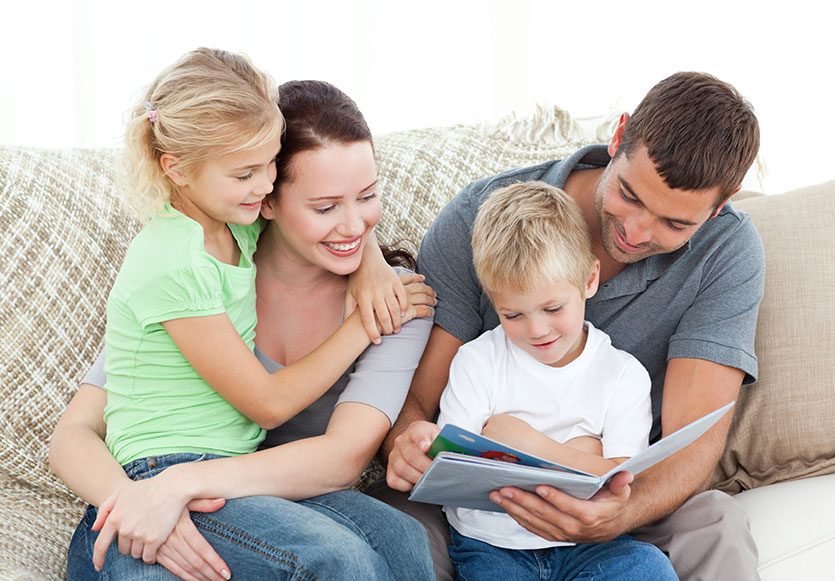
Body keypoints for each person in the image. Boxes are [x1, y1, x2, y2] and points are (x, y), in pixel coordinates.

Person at [50, 49, 435, 580]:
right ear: (270, 201)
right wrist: (146, 497)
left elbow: (343, 458)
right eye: (325, 207)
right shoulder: (189, 265)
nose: (352, 223)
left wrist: (370, 260)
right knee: (339, 558)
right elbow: (76, 432)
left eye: (367, 197)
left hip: (239, 485)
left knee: (401, 542)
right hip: (156, 476)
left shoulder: (246, 239)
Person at [382, 71, 765, 580]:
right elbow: (418, 403)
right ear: (619, 135)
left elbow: (691, 442)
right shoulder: (484, 222)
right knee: (390, 534)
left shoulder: (727, 252)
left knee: (717, 524)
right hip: (482, 513)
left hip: (620, 495)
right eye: (629, 194)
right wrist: (405, 441)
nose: (635, 231)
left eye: (674, 224)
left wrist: (616, 513)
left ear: (722, 203)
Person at [437, 181, 678, 580]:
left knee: (650, 569)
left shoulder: (622, 375)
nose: (537, 330)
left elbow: (618, 481)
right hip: (492, 543)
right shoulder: (478, 361)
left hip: (590, 544)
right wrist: (585, 455)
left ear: (588, 280)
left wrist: (527, 443)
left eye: (552, 308)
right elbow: (456, 467)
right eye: (512, 314)